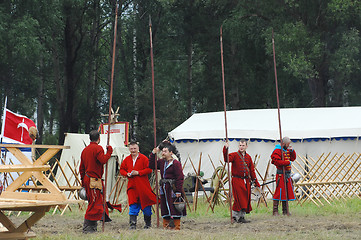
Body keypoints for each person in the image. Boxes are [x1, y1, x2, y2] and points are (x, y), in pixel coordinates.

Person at [79, 130, 113, 233]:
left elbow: (81, 168)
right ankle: (87, 228)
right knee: (94, 204)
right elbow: (103, 160)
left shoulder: (85, 150)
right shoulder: (98, 148)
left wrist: (82, 181)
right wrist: (109, 152)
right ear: (99, 138)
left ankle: (92, 227)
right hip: (94, 180)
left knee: (93, 203)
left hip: (87, 179)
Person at [119, 142, 157, 229]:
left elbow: (149, 169)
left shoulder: (143, 158)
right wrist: (126, 174)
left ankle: (148, 224)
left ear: (138, 149)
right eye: (131, 149)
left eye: (134, 149)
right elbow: (122, 169)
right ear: (129, 149)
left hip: (143, 186)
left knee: (146, 205)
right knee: (133, 204)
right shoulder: (127, 159)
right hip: (132, 186)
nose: (133, 151)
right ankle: (132, 225)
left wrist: (138, 173)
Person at [149, 142, 186, 230]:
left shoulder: (176, 163)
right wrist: (154, 153)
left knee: (174, 206)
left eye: (165, 151)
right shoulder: (161, 162)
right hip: (164, 188)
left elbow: (180, 177)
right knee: (165, 206)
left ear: (171, 152)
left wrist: (178, 191)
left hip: (172, 188)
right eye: (162, 151)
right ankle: (166, 225)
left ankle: (176, 226)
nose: (162, 153)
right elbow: (151, 165)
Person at [223, 139, 260, 223]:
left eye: (243, 145)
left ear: (246, 146)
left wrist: (255, 182)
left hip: (246, 181)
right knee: (239, 199)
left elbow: (252, 171)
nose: (241, 147)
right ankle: (235, 217)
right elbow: (226, 159)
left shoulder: (248, 157)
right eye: (240, 145)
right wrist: (225, 149)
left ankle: (242, 217)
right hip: (237, 180)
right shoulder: (234, 155)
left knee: (246, 199)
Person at [271, 136, 296, 216]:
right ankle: (275, 211)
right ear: (283, 144)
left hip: (287, 175)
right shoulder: (277, 151)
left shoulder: (286, 150)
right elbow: (277, 162)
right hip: (281, 175)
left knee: (286, 192)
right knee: (279, 192)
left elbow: (292, 158)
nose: (288, 146)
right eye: (287, 145)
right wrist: (286, 163)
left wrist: (292, 151)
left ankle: (285, 211)